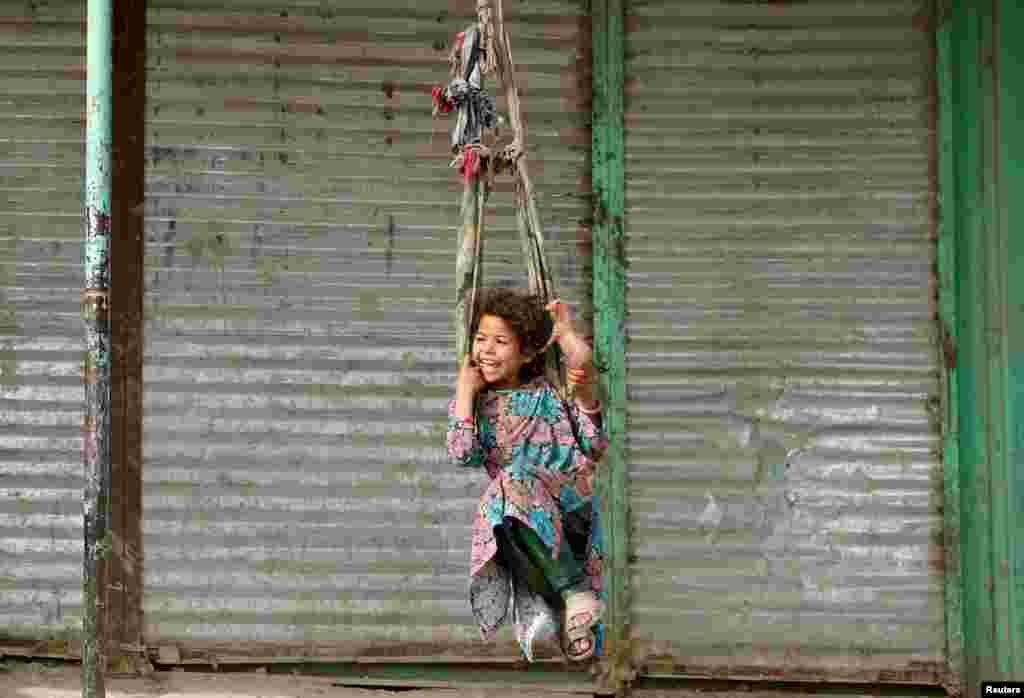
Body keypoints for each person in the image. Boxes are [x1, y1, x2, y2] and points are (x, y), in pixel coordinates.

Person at [446, 287, 608, 662]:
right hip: (526, 522)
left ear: (527, 353)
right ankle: (568, 606)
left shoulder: (549, 392)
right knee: (497, 508)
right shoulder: (474, 404)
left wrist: (569, 343)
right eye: (480, 339)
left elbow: (594, 441)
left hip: (573, 509)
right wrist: (465, 393)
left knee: (509, 482)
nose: (486, 349)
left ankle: (573, 592)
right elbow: (460, 453)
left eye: (500, 341)